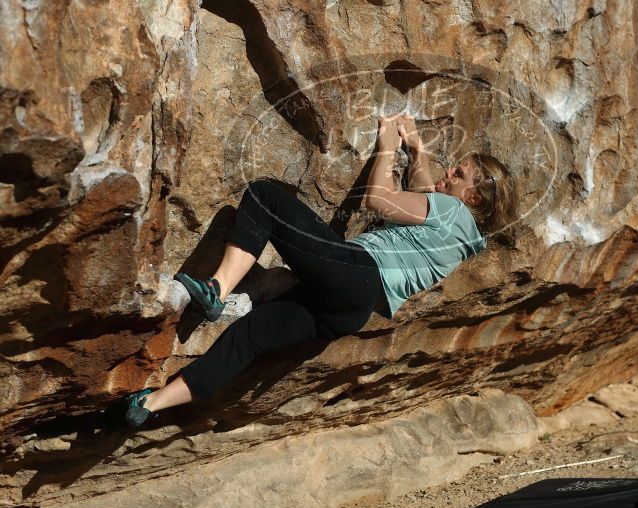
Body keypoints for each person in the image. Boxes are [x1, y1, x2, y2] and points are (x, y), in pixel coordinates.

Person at [125, 113, 520, 428]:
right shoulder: (462, 238)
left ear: (473, 196)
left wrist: (386, 147)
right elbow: (424, 195)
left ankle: (218, 290)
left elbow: (381, 200)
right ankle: (150, 404)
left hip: (356, 272)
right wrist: (416, 150)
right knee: (249, 336)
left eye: (458, 174)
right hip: (350, 312)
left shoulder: (451, 211)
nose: (447, 174)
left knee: (265, 198)